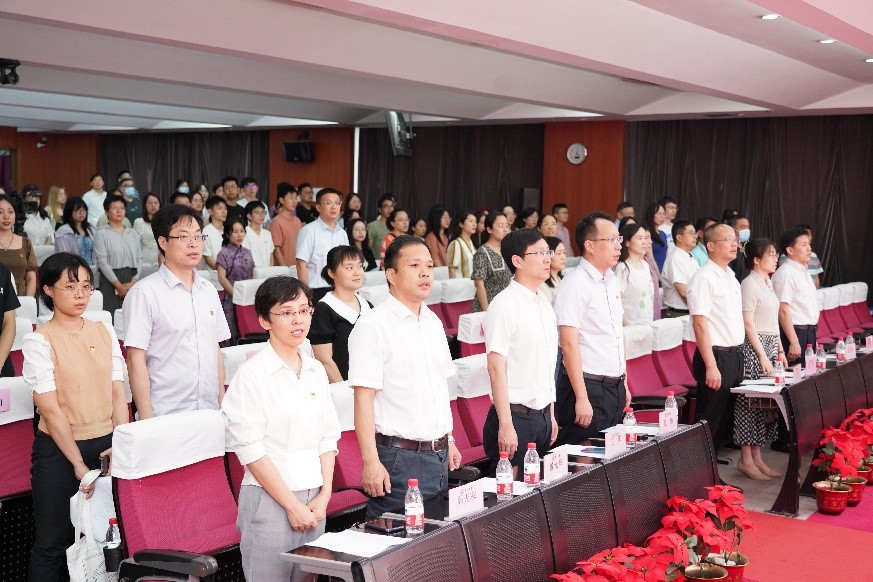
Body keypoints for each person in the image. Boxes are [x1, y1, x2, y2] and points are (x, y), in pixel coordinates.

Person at [222, 276, 340, 582]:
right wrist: (291, 505)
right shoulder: (252, 375)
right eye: (286, 312)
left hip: (314, 498)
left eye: (304, 310)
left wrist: (325, 495)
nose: (298, 320)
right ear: (264, 320)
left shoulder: (315, 369)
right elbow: (251, 451)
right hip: (270, 500)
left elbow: (328, 437)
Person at [25, 253, 127, 581]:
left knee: (110, 539)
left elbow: (117, 393)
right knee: (52, 544)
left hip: (108, 447)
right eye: (70, 287)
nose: (81, 294)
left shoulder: (104, 330)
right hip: (59, 452)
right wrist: (79, 465)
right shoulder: (39, 340)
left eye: (86, 286)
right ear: (48, 290)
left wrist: (122, 444)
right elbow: (51, 411)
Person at [348, 235, 462, 520]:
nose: (425, 273)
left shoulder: (433, 322)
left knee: (433, 536)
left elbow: (439, 388)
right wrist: (370, 462)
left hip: (438, 454)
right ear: (391, 274)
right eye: (414, 265)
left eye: (429, 266)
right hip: (399, 458)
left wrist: (449, 439)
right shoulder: (373, 326)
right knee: (395, 539)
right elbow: (363, 400)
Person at [123, 204, 230, 418]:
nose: (193, 243)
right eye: (183, 237)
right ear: (162, 242)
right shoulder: (144, 293)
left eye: (198, 236)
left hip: (209, 412)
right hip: (166, 414)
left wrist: (222, 406)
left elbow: (215, 351)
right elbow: (135, 361)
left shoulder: (208, 290)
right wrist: (148, 421)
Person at [483, 229, 558, 477]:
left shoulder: (543, 302)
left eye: (548, 252)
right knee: (508, 489)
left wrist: (550, 414)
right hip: (514, 415)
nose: (547, 258)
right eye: (539, 253)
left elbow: (547, 364)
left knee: (535, 488)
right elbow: (496, 369)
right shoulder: (504, 305)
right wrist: (505, 425)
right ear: (517, 261)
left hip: (542, 415)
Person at [554, 212, 629, 446]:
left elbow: (617, 335)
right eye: (611, 240)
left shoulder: (612, 280)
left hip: (615, 384)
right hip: (588, 385)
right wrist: (581, 397)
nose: (618, 246)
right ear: (590, 246)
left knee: (610, 454)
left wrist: (624, 384)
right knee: (583, 455)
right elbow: (568, 344)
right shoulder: (574, 284)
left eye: (619, 239)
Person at [686, 223, 745, 453]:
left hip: (734, 354)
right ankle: (699, 465)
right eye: (727, 240)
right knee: (709, 419)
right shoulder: (704, 278)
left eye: (735, 240)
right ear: (710, 246)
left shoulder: (731, 276)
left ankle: (714, 465)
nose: (734, 244)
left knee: (725, 419)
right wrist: (711, 366)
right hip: (716, 355)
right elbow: (700, 324)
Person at [736, 238, 783, 481]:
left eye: (776, 254)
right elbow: (748, 323)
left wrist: (780, 350)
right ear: (756, 259)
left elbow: (774, 322)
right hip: (754, 348)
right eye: (770, 254)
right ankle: (746, 459)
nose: (775, 258)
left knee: (766, 406)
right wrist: (763, 355)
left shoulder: (767, 282)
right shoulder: (749, 284)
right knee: (750, 404)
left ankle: (758, 457)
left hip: (770, 345)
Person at [309, 246, 372, 383]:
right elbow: (325, 361)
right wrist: (345, 392)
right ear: (331, 273)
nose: (357, 272)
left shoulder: (368, 305)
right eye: (349, 268)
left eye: (359, 266)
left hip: (373, 383)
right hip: (344, 387)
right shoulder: (324, 309)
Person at [772, 226, 820, 366]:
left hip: (809, 332)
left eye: (809, 244)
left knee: (810, 374)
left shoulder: (804, 272)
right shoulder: (786, 273)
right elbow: (782, 310)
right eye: (804, 245)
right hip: (795, 333)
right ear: (790, 250)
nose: (809, 249)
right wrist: (793, 341)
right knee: (795, 375)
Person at [296, 188, 349, 301]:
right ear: (318, 207)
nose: (334, 207)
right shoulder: (309, 231)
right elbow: (301, 264)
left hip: (339, 289)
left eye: (337, 203)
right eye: (328, 203)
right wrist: (306, 295)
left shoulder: (342, 233)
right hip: (316, 290)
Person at [93, 194, 141, 314]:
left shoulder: (133, 233)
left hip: (131, 277)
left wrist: (133, 282)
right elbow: (102, 262)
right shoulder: (101, 233)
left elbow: (139, 258)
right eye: (114, 208)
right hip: (110, 280)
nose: (119, 211)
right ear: (106, 212)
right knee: (111, 315)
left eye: (122, 208)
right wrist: (119, 286)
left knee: (131, 314)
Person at [217, 218, 255, 346]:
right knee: (231, 331)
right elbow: (222, 278)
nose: (239, 235)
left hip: (248, 300)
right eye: (235, 232)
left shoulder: (248, 252)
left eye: (242, 231)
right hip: (230, 299)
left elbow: (253, 273)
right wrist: (237, 295)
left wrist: (248, 294)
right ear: (228, 234)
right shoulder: (223, 253)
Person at [615, 222, 659, 325]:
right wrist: (627, 326)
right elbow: (616, 301)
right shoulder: (622, 268)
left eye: (645, 238)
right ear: (627, 242)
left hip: (648, 325)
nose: (644, 242)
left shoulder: (645, 265)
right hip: (631, 327)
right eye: (640, 238)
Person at [471, 212, 512, 312]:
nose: (505, 230)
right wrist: (487, 311)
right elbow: (479, 285)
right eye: (500, 226)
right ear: (489, 229)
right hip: (488, 308)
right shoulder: (482, 253)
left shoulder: (508, 250)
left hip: (505, 306)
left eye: (507, 226)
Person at [661, 219, 699, 318]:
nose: (695, 236)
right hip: (678, 314)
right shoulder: (675, 259)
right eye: (690, 233)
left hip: (691, 312)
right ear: (679, 237)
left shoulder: (691, 257)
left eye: (695, 233)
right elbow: (684, 293)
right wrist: (699, 310)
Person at [0, 194, 37, 296]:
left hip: (21, 298)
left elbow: (31, 277)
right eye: (0, 212)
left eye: (10, 212)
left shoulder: (25, 243)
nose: (6, 216)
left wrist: (28, 301)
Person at [54, 196, 95, 267]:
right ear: (69, 212)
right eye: (77, 210)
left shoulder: (91, 229)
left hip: (93, 268)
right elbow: (64, 257)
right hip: (72, 269)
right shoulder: (63, 232)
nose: (82, 213)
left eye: (84, 210)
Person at [271, 183, 304, 268]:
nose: (294, 202)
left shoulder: (297, 221)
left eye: (295, 198)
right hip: (283, 269)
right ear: (282, 200)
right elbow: (276, 249)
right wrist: (284, 268)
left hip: (297, 267)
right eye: (290, 198)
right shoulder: (276, 221)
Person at [242, 200, 275, 268]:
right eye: (257, 212)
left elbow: (271, 256)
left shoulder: (267, 234)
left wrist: (269, 271)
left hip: (267, 272)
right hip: (251, 272)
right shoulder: (244, 233)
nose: (261, 215)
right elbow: (244, 257)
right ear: (249, 216)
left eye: (263, 212)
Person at [447, 211, 476, 279]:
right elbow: (452, 270)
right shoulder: (456, 244)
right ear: (461, 224)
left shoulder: (473, 243)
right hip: (461, 284)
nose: (474, 224)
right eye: (471, 221)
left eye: (475, 221)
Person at [133, 192, 161, 265]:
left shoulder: (165, 222)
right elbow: (135, 245)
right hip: (144, 260)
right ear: (145, 205)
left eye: (156, 203)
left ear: (159, 205)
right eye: (150, 203)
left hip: (161, 260)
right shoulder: (139, 222)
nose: (153, 205)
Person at [202, 196, 227, 269]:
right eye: (220, 208)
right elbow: (208, 258)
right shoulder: (206, 231)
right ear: (210, 211)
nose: (224, 212)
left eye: (225, 208)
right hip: (215, 273)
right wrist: (223, 271)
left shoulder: (228, 230)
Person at [539, 236, 565, 303]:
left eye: (564, 253)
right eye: (559, 253)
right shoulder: (541, 283)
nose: (563, 257)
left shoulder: (564, 278)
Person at [367, 194, 394, 258]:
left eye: (391, 206)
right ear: (380, 209)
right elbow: (368, 248)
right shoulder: (373, 225)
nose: (389, 209)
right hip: (378, 261)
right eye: (386, 206)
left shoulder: (395, 225)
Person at [727, 214, 752, 283]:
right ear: (733, 229)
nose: (746, 230)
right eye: (743, 227)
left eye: (748, 227)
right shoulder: (728, 248)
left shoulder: (748, 246)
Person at [644, 201, 669, 272]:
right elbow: (650, 259)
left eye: (664, 213)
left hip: (663, 271)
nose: (662, 216)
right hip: (652, 271)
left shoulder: (663, 234)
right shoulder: (646, 234)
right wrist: (658, 276)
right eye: (659, 213)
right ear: (651, 214)